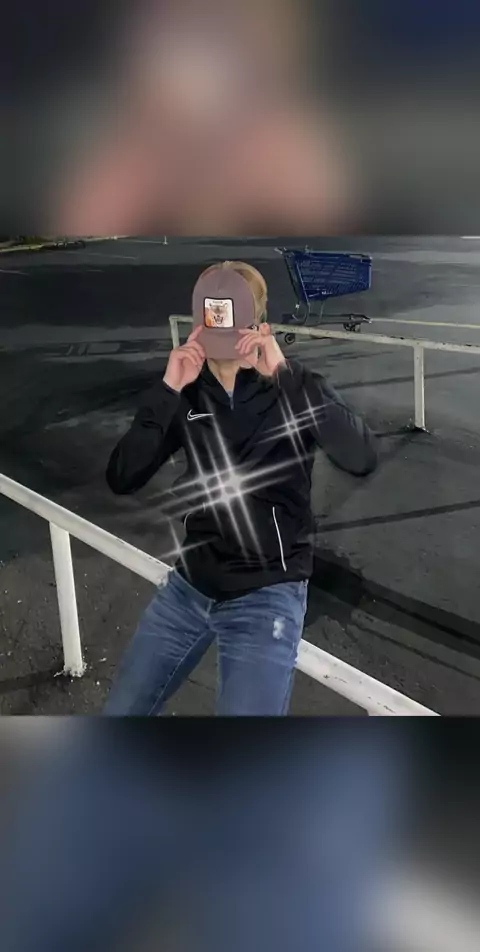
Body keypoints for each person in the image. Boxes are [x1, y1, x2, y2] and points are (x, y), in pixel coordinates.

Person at [104, 261, 377, 715]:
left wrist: (285, 374)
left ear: (257, 321)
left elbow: (361, 456)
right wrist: (168, 389)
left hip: (268, 592)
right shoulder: (187, 392)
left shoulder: (293, 386)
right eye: (210, 315)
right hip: (190, 585)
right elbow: (123, 476)